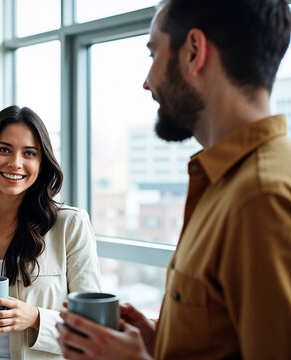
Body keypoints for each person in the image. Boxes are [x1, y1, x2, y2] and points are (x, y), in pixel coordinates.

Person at [57, 0, 291, 359]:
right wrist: (160, 342)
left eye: (153, 54)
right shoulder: (226, 182)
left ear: (194, 51)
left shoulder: (261, 197)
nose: (147, 82)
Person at [0, 105, 101, 359]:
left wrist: (35, 318)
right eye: (4, 149)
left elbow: (92, 329)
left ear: (42, 162)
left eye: (29, 153)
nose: (15, 163)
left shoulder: (70, 225)